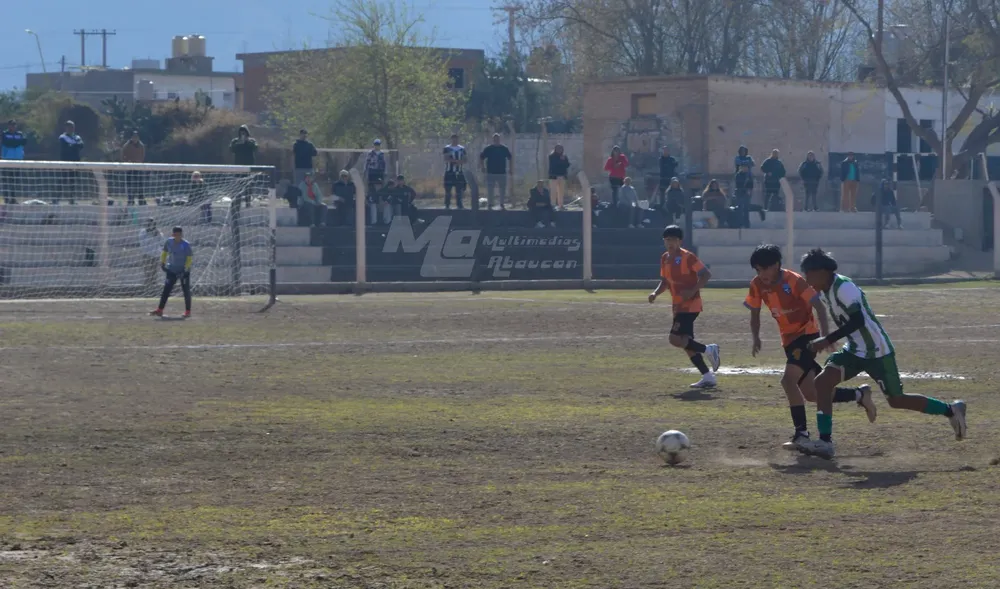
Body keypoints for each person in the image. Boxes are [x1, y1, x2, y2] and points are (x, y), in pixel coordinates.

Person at [794, 248, 967, 459]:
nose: (806, 279)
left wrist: (827, 339)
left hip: (877, 351)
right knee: (822, 383)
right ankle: (825, 442)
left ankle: (951, 410)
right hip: (855, 350)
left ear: (821, 271)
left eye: (808, 274)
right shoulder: (826, 288)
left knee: (897, 400)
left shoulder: (844, 288)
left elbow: (858, 320)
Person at [745, 244, 878, 451]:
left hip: (807, 336)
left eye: (764, 269)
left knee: (788, 380)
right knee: (812, 392)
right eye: (757, 270)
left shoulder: (794, 280)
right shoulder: (756, 285)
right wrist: (755, 337)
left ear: (776, 265)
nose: (761, 274)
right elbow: (754, 312)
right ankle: (860, 395)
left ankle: (801, 434)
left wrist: (825, 337)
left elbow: (819, 306)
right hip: (788, 341)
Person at [648, 225, 722, 389]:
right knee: (686, 343)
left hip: (690, 305)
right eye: (667, 240)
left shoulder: (688, 257)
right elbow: (665, 282)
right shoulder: (665, 258)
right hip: (678, 305)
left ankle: (709, 349)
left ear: (680, 241)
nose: (670, 243)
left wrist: (692, 291)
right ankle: (708, 376)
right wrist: (655, 294)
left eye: (673, 240)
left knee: (674, 339)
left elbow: (706, 274)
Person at [151, 226, 193, 318]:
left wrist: (185, 270)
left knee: (186, 291)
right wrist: (162, 263)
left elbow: (189, 259)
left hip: (183, 271)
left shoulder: (186, 244)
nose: (177, 236)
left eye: (179, 235)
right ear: (173, 235)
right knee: (166, 290)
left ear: (182, 235)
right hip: (172, 270)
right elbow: (164, 252)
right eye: (175, 234)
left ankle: (188, 311)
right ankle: (160, 310)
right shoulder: (169, 242)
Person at [479, 133, 512, 210]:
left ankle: (502, 204)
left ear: (500, 139)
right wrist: (482, 167)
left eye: (498, 139)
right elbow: (481, 157)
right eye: (495, 139)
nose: (496, 140)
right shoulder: (488, 148)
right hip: (491, 172)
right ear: (493, 139)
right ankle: (490, 204)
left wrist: (510, 168)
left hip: (502, 172)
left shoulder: (504, 148)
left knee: (502, 189)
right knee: (490, 189)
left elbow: (510, 158)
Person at [230, 125, 258, 207]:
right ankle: (237, 202)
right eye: (241, 132)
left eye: (244, 132)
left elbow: (255, 147)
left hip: (249, 166)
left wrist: (247, 141)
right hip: (238, 167)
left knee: (249, 185)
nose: (242, 134)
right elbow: (231, 149)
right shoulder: (235, 141)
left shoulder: (251, 141)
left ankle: (248, 202)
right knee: (238, 185)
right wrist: (239, 143)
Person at [59, 120, 84, 205]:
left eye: (72, 127)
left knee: (72, 182)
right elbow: (65, 148)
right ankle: (56, 199)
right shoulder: (62, 137)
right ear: (66, 128)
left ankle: (71, 199)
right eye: (69, 127)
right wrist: (74, 146)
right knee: (62, 181)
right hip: (65, 162)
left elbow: (81, 145)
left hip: (75, 162)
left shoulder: (77, 137)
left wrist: (72, 145)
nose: (71, 129)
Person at [1, 119, 26, 204]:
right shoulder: (5, 134)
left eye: (14, 125)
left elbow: (23, 142)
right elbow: (8, 143)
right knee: (7, 180)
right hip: (7, 160)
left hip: (17, 160)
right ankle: (6, 198)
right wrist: (16, 142)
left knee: (15, 181)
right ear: (8, 126)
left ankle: (13, 198)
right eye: (11, 125)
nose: (13, 126)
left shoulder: (20, 134)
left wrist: (16, 142)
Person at [121, 130, 147, 206]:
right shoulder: (127, 145)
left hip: (138, 167)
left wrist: (139, 162)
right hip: (129, 168)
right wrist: (127, 162)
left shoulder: (141, 145)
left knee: (140, 185)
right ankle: (130, 200)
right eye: (134, 137)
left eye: (136, 137)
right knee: (129, 185)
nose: (135, 138)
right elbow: (123, 155)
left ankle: (141, 200)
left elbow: (143, 155)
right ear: (131, 137)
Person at [443, 134, 467, 209]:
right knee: (448, 190)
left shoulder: (462, 148)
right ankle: (447, 205)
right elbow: (446, 158)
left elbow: (465, 159)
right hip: (449, 171)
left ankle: (459, 205)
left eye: (456, 138)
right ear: (451, 139)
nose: (454, 140)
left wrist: (459, 162)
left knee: (459, 190)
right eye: (453, 139)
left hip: (459, 172)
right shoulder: (447, 148)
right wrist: (455, 161)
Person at [138, 218, 163, 292]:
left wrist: (157, 234)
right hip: (147, 255)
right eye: (149, 223)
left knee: (154, 272)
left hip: (156, 255)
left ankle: (154, 289)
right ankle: (146, 289)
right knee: (147, 272)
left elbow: (161, 241)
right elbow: (143, 243)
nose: (150, 225)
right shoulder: (143, 232)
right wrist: (151, 235)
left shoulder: (158, 232)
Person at [548, 144, 570, 209]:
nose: (559, 150)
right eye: (558, 149)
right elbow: (554, 164)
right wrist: (561, 160)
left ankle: (561, 205)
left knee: (561, 191)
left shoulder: (564, 156)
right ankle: (553, 205)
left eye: (561, 149)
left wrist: (564, 160)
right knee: (553, 191)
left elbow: (567, 165)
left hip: (562, 176)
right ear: (555, 149)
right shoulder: (551, 156)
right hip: (554, 176)